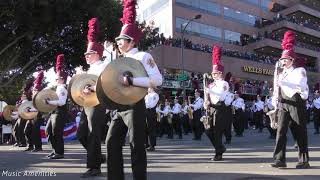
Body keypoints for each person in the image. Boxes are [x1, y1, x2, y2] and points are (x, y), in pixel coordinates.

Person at [106, 0, 163, 179]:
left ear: (130, 41)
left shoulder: (143, 56)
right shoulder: (116, 60)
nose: (118, 42)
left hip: (135, 105)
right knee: (111, 142)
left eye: (121, 40)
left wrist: (132, 80)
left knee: (136, 145)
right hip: (119, 107)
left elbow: (157, 80)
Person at [271, 30, 310, 169]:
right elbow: (277, 88)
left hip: (296, 103)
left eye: (285, 59)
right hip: (283, 103)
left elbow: (299, 85)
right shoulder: (280, 72)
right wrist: (274, 101)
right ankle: (279, 159)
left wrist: (283, 82)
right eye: (282, 59)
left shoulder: (299, 71)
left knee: (300, 131)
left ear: (292, 60)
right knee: (280, 131)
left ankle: (303, 160)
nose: (283, 61)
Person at [76, 17, 109, 178]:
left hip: (97, 103)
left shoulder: (103, 66)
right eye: (86, 53)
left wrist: (91, 88)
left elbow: (107, 85)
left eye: (89, 53)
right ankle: (99, 157)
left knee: (92, 134)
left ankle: (94, 167)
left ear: (97, 53)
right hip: (86, 103)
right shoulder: (88, 70)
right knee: (81, 134)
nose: (86, 56)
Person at [203, 45, 229, 161]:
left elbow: (222, 96)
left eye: (216, 73)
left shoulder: (224, 84)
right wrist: (206, 101)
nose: (214, 75)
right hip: (211, 109)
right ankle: (220, 148)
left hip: (220, 109)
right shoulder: (210, 85)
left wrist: (210, 90)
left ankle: (218, 154)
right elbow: (208, 96)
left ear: (221, 73)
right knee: (208, 131)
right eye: (213, 73)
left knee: (217, 132)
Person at [45, 54, 68, 160]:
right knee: (48, 131)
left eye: (57, 78)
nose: (55, 79)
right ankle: (55, 150)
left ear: (62, 79)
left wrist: (50, 102)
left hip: (60, 112)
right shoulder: (58, 88)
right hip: (54, 112)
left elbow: (62, 102)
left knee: (56, 132)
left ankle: (59, 152)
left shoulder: (62, 88)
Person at [24, 71, 45, 152]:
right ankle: (30, 145)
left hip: (37, 116)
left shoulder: (40, 98)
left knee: (36, 132)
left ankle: (38, 147)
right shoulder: (32, 98)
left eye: (35, 90)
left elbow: (38, 108)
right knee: (27, 130)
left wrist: (30, 109)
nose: (33, 91)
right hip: (31, 116)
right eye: (33, 90)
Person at [144, 87, 159, 151]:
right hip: (145, 111)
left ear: (152, 88)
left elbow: (152, 105)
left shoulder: (155, 95)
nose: (147, 89)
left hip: (151, 111)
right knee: (145, 129)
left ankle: (152, 145)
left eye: (149, 88)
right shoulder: (146, 95)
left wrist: (146, 105)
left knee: (151, 129)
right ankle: (146, 144)